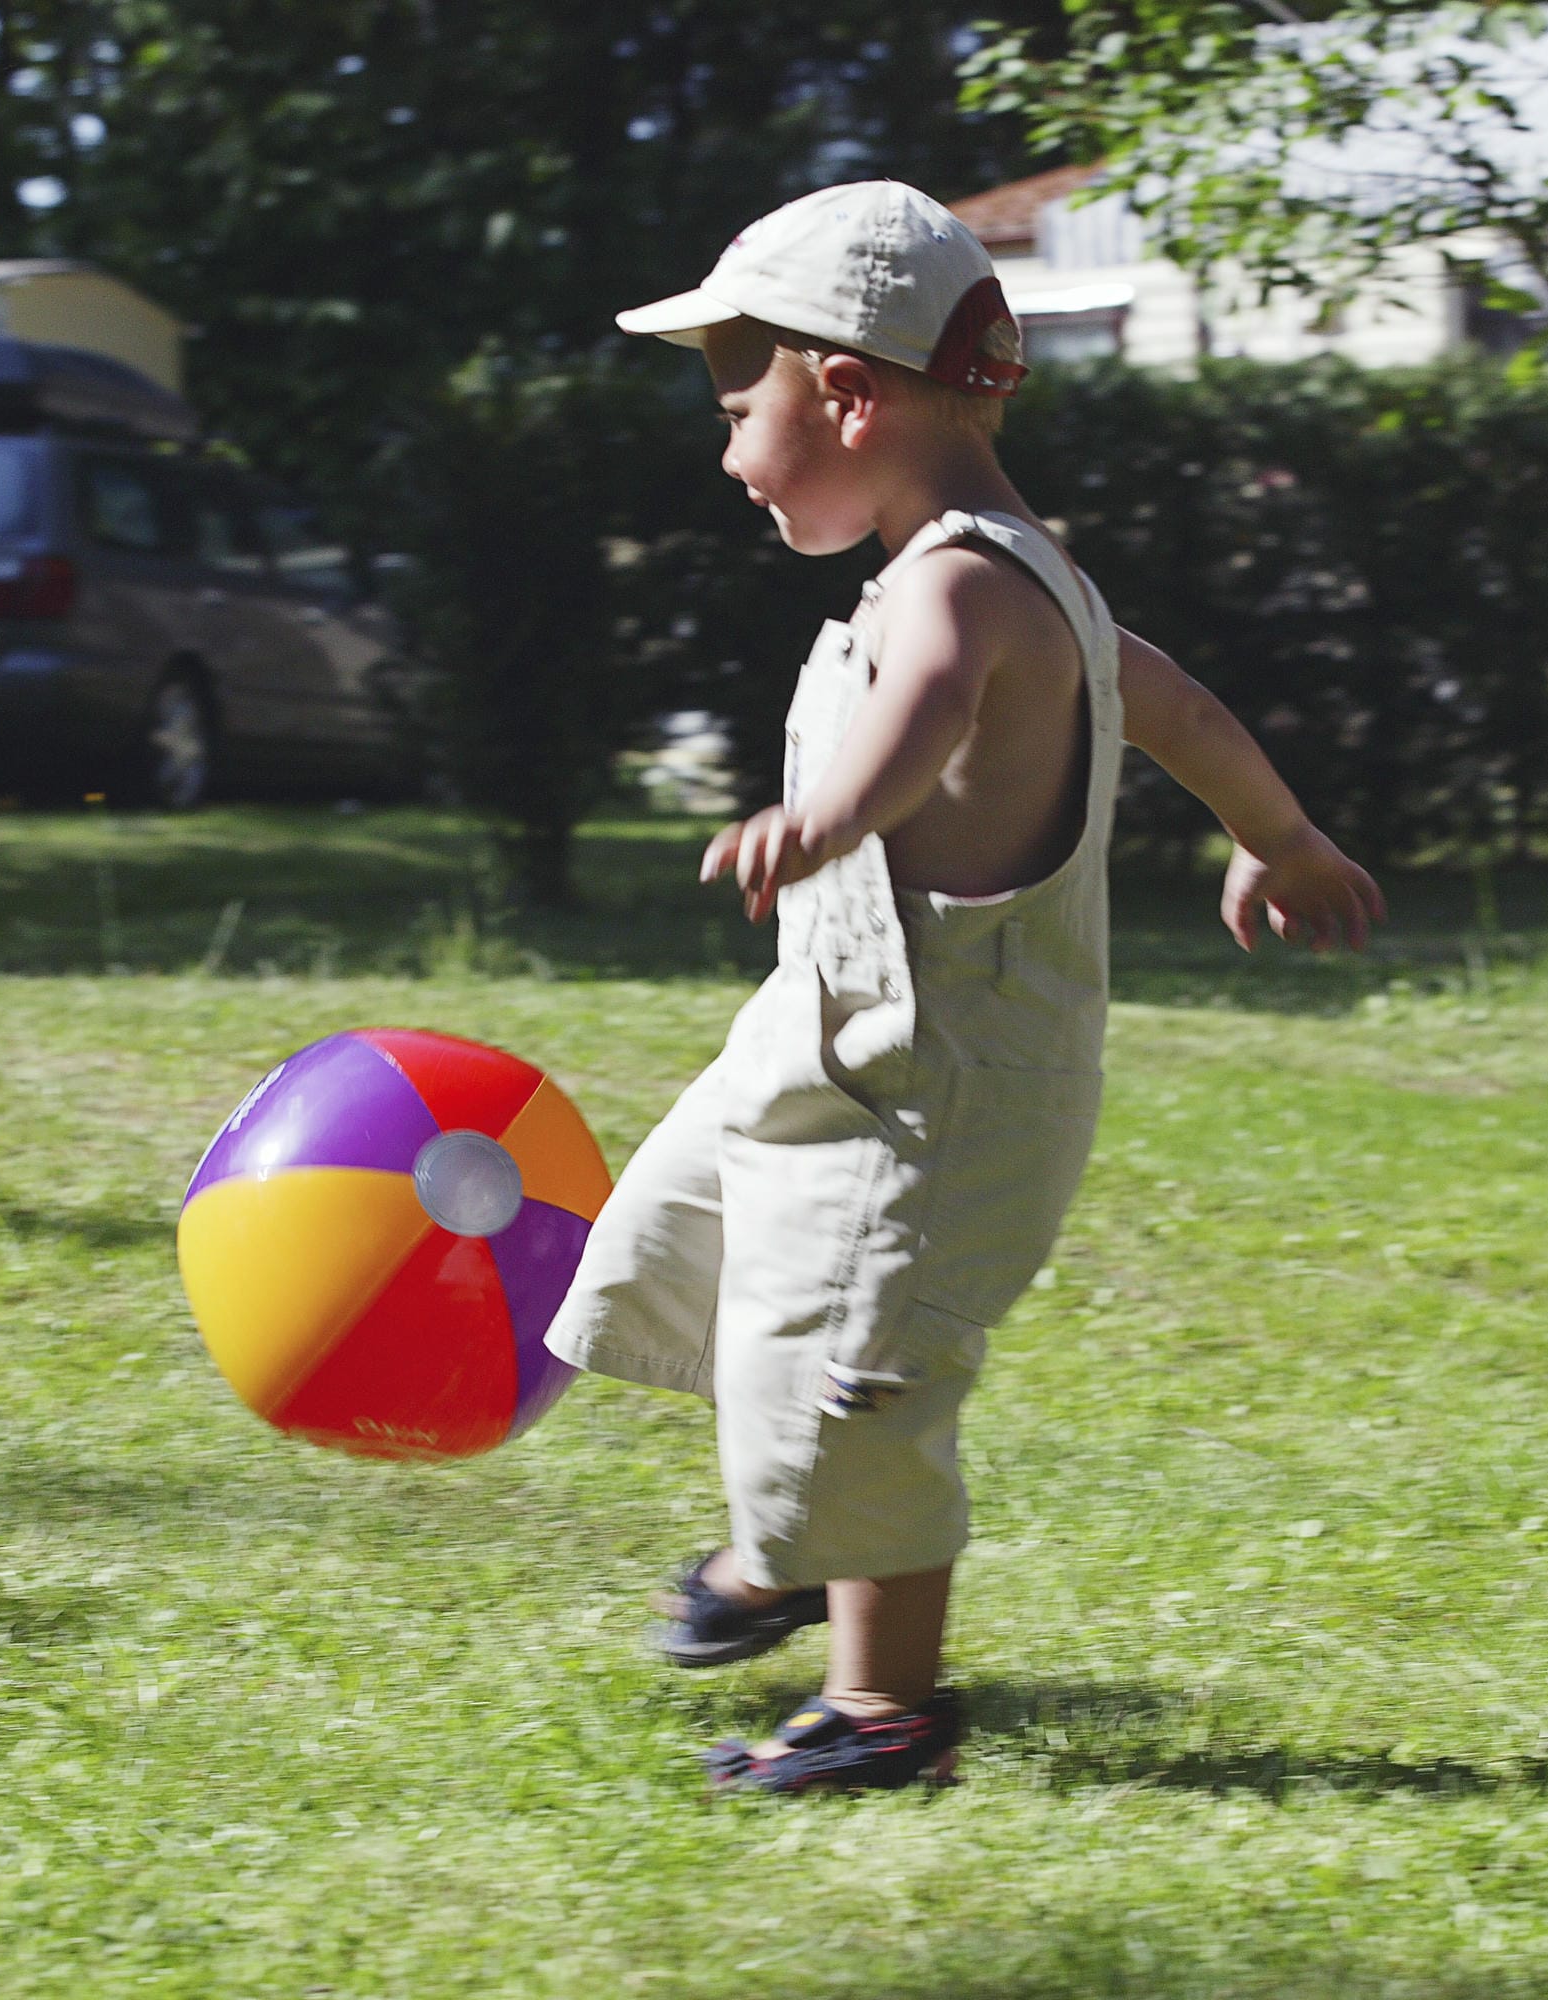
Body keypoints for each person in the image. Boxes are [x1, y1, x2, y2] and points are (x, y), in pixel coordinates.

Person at [543, 181, 1384, 1794]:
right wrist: (1272, 837)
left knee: (859, 1366)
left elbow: (920, 712)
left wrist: (830, 814)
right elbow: (1183, 710)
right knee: (684, 1249)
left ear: (844, 391)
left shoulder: (957, 589)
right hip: (829, 1042)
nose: (725, 453)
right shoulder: (1022, 573)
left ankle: (884, 1711)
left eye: (739, 408)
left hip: (937, 1087)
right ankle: (782, 1550)